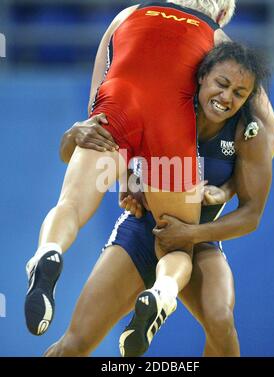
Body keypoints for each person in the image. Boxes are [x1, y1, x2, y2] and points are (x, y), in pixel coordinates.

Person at [44, 42, 274, 357]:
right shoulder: (164, 107)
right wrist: (120, 171)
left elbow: (251, 216)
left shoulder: (249, 134)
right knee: (73, 345)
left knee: (220, 320)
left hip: (200, 241)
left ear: (249, 97)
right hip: (142, 233)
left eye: (239, 93)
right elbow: (99, 150)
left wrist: (192, 233)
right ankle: (159, 295)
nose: (226, 98)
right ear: (202, 76)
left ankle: (159, 296)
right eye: (221, 84)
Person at [25, 0, 239, 341]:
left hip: (115, 106)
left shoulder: (128, 13)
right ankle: (162, 292)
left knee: (69, 204)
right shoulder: (219, 38)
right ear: (223, 13)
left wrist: (126, 175)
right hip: (172, 122)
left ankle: (48, 251)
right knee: (177, 246)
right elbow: (249, 113)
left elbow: (98, 95)